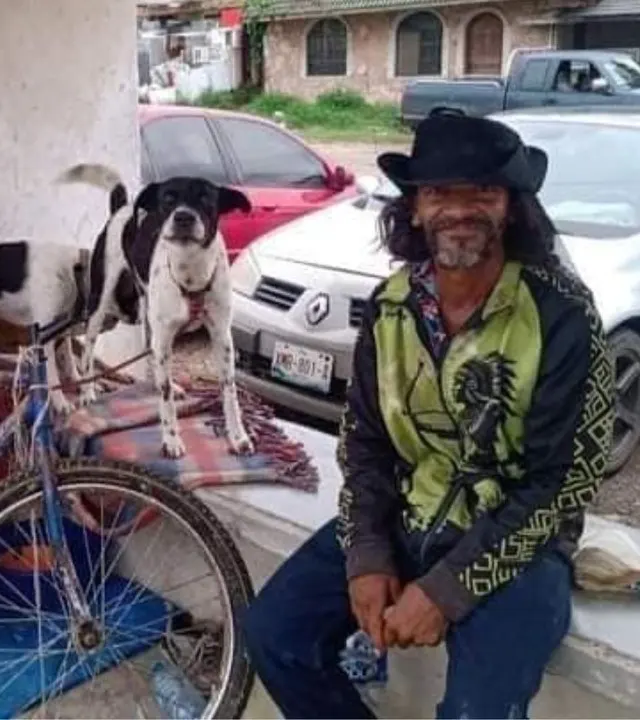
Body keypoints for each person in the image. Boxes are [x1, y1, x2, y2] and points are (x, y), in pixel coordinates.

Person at [243, 111, 615, 718]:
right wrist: (366, 555)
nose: (459, 210)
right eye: (440, 191)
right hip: (408, 513)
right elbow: (364, 443)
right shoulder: (390, 306)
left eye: (483, 193)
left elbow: (560, 484)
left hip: (518, 542)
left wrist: (446, 590)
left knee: (478, 709)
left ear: (512, 208)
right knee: (276, 636)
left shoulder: (561, 315)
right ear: (414, 208)